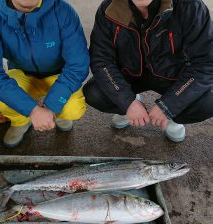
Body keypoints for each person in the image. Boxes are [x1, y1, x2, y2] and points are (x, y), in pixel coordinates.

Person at [83, 0, 213, 142]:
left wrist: (169, 105)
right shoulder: (108, 9)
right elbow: (101, 61)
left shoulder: (190, 6)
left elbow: (205, 64)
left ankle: (173, 117)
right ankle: (131, 107)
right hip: (129, 74)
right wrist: (127, 101)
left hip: (174, 77)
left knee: (208, 102)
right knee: (94, 93)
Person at [0, 0, 89, 147]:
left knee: (74, 108)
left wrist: (52, 106)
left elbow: (78, 65)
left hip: (58, 74)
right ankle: (20, 121)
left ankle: (57, 115)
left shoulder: (63, 11)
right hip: (21, 73)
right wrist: (32, 110)